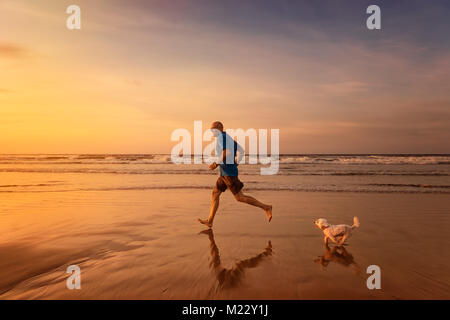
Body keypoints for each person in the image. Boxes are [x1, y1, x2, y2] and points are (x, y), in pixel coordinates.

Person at [198, 121, 272, 228]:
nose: (211, 132)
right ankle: (210, 220)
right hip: (224, 173)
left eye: (213, 129)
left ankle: (266, 207)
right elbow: (241, 151)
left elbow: (226, 152)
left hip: (228, 173)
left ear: (219, 128)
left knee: (239, 197)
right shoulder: (228, 138)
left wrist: (216, 163)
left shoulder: (221, 137)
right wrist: (237, 162)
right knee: (215, 194)